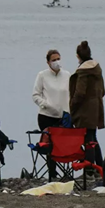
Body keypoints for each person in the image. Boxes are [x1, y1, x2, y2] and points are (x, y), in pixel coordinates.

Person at [32, 49, 71, 180]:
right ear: (48, 62)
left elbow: (71, 95)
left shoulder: (67, 75)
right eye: (53, 60)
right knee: (49, 145)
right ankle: (52, 173)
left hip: (63, 116)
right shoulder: (42, 75)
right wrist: (46, 104)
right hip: (46, 116)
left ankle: (63, 172)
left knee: (61, 144)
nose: (56, 62)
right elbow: (35, 95)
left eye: (58, 59)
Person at [69, 41, 105, 171]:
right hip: (96, 110)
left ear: (78, 56)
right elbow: (103, 91)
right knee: (93, 138)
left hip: (84, 112)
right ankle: (100, 166)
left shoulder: (83, 72)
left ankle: (89, 169)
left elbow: (79, 93)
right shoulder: (97, 70)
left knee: (88, 141)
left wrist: (72, 106)